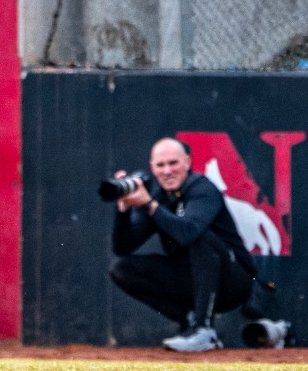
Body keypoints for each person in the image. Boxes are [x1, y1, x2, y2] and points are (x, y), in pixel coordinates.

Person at [109, 137, 262, 353]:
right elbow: (123, 247)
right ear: (152, 168)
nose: (167, 171)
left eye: (173, 163)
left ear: (187, 162)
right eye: (161, 165)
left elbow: (189, 233)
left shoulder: (202, 188)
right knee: (121, 268)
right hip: (191, 281)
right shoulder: (157, 197)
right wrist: (122, 210)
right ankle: (190, 321)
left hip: (232, 282)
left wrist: (150, 206)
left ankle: (203, 330)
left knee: (199, 237)